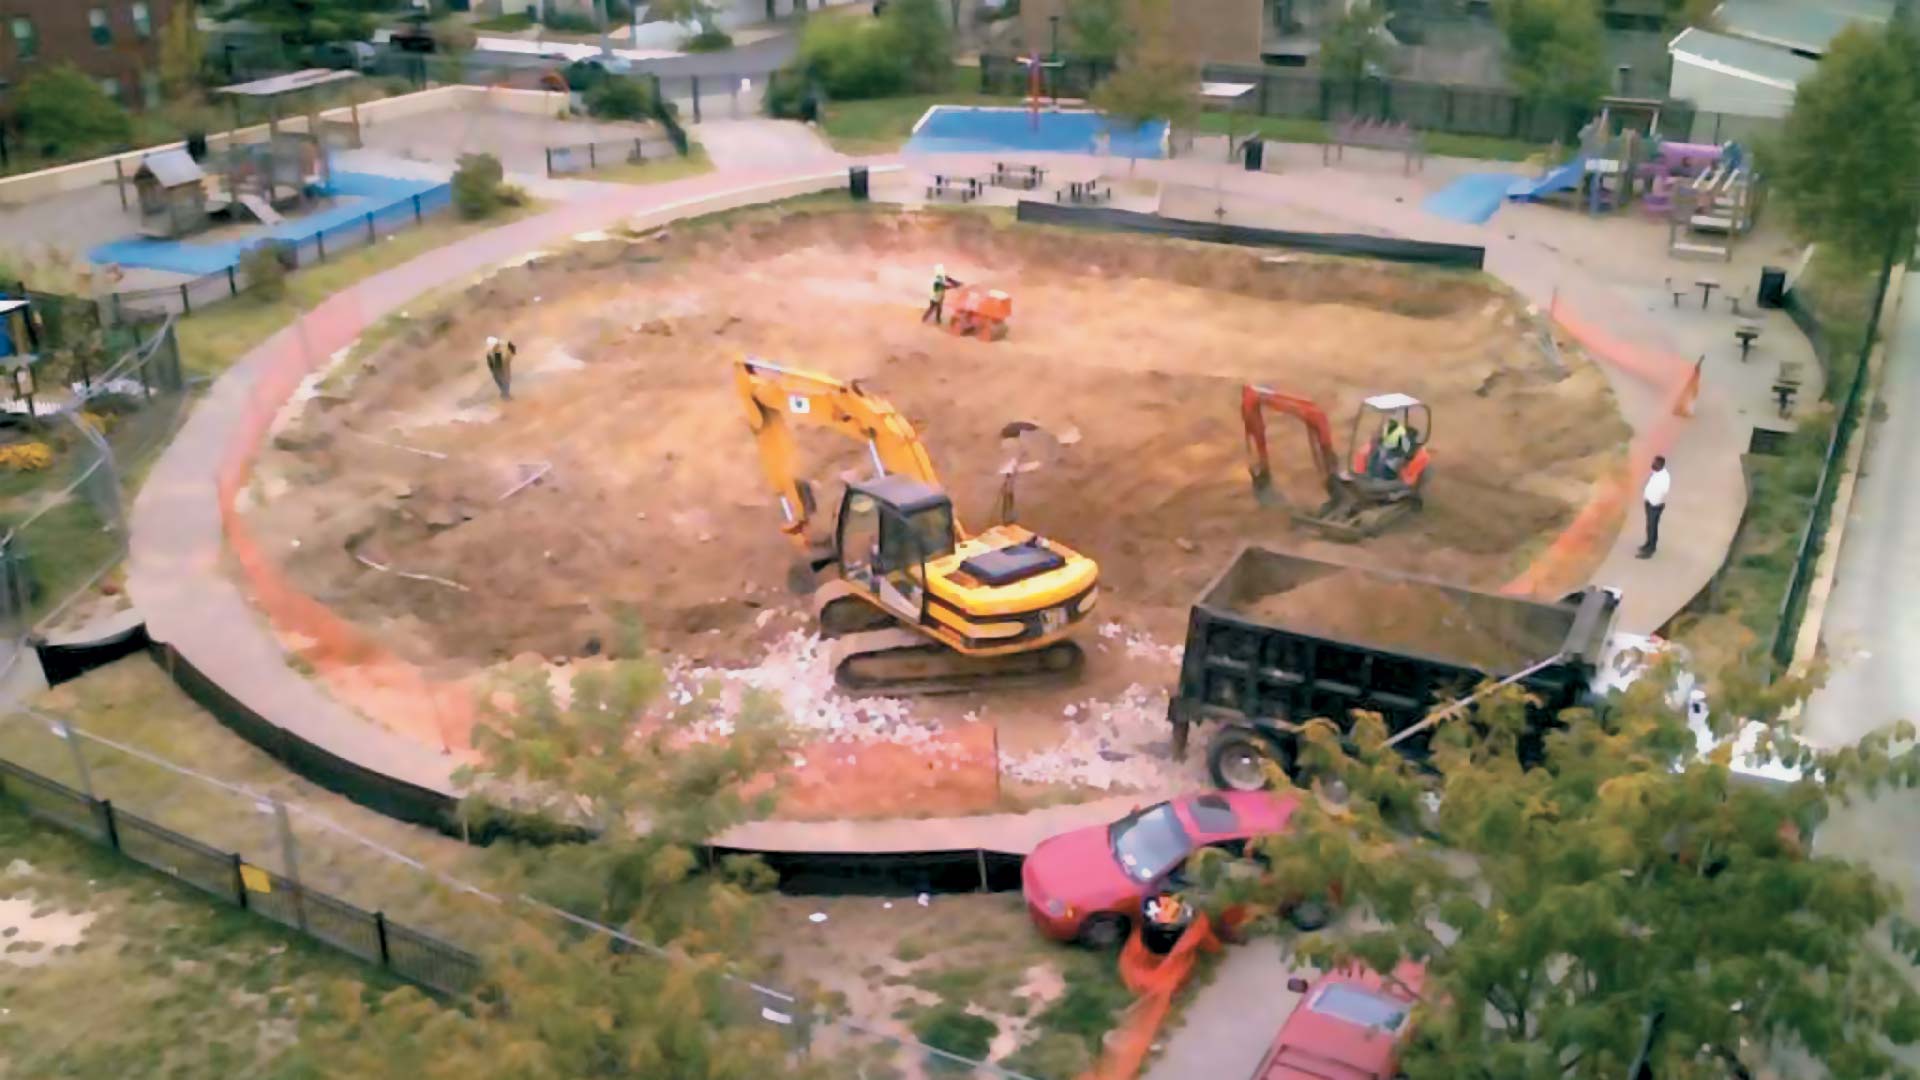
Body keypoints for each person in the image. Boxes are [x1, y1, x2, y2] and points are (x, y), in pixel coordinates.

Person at [1637, 455, 1669, 559]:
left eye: (1655, 463)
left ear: (1660, 465)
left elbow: (1664, 491)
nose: (1653, 464)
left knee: (1652, 527)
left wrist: (1655, 500)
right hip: (1649, 503)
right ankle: (1648, 544)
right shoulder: (1655, 472)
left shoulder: (1664, 477)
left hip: (1655, 505)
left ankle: (1650, 550)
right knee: (1650, 526)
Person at [485, 336, 515, 401]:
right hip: (497, 367)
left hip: (497, 367)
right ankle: (505, 395)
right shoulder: (492, 353)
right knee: (503, 381)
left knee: (503, 381)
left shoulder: (493, 351)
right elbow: (493, 365)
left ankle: (505, 395)